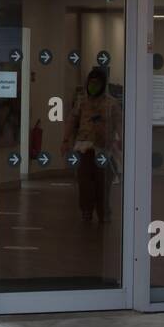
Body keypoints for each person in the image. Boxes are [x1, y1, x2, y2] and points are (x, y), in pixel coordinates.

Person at [61, 66, 122, 223]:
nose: (93, 86)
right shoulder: (82, 101)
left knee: (103, 184)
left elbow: (120, 124)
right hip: (84, 148)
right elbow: (71, 121)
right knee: (85, 182)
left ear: (103, 84)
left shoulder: (111, 104)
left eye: (97, 83)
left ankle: (103, 212)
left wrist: (123, 143)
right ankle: (87, 211)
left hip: (103, 149)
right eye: (91, 83)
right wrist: (65, 140)